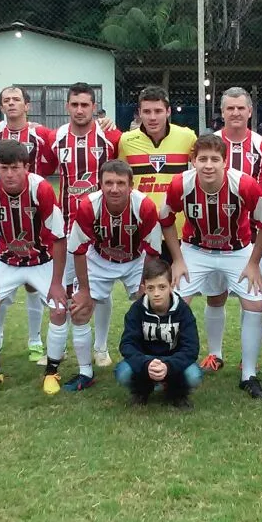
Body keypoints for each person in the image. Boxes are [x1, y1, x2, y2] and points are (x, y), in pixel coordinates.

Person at [159, 134, 262, 400]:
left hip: (237, 251)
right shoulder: (180, 184)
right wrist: (177, 259)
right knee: (172, 302)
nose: (208, 165)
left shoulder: (245, 185)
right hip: (196, 250)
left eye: (214, 159)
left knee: (255, 304)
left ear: (225, 162)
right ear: (193, 162)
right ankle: (171, 368)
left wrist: (254, 262)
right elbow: (165, 219)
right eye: (202, 159)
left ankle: (249, 374)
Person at [0, 141, 70, 395]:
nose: (10, 174)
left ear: (27, 167)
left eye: (15, 168)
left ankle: (52, 371)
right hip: (7, 260)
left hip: (42, 260)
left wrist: (57, 283)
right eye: (4, 168)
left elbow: (59, 237)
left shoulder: (42, 189)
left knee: (59, 310)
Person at [195, 87, 262, 373]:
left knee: (253, 300)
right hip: (206, 240)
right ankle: (215, 354)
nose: (235, 113)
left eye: (240, 108)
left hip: (246, 241)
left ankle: (249, 362)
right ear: (222, 113)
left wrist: (260, 233)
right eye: (229, 108)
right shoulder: (208, 145)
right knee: (215, 296)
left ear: (249, 111)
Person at [40, 82, 123, 369]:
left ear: (94, 107)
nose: (79, 110)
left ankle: (100, 347)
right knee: (63, 286)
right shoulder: (55, 137)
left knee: (99, 290)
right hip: (65, 227)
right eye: (74, 104)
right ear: (67, 106)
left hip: (101, 227)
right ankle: (58, 347)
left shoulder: (110, 137)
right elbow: (43, 172)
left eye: (85, 105)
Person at [67, 160, 162, 390]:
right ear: (99, 184)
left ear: (132, 185)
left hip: (135, 260)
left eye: (121, 183)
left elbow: (153, 250)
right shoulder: (88, 205)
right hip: (100, 258)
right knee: (80, 310)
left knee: (153, 307)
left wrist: (144, 284)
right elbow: (79, 250)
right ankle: (85, 372)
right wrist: (85, 291)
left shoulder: (145, 206)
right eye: (108, 183)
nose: (114, 188)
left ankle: (154, 367)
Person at [0, 86, 57, 365]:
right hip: (0, 216)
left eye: (16, 99)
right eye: (6, 100)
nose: (11, 104)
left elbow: (64, 143)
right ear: (1, 106)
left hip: (33, 215)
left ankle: (35, 340)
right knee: (1, 283)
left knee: (34, 285)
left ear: (27, 105)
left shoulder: (41, 134)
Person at [117, 85, 198, 253]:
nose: (152, 117)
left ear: (168, 112)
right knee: (143, 280)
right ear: (139, 113)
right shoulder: (126, 140)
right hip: (141, 226)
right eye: (147, 112)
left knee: (178, 278)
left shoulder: (188, 137)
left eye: (158, 111)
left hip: (178, 227)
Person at [116, 258, 202, 409]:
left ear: (171, 286)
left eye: (162, 287)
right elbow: (127, 345)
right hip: (146, 360)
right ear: (144, 288)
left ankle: (176, 393)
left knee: (194, 376)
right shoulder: (137, 310)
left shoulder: (183, 311)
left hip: (173, 360)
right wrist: (146, 364)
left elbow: (191, 348)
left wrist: (168, 366)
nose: (156, 293)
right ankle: (142, 391)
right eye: (151, 288)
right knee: (122, 373)